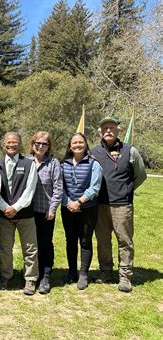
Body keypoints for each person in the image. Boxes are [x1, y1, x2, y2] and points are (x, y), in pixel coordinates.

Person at [91, 116, 147, 292]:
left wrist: (126, 189)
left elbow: (140, 175)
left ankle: (125, 276)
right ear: (100, 131)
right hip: (99, 205)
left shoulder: (130, 151)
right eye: (105, 128)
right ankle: (106, 272)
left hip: (122, 205)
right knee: (103, 240)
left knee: (124, 241)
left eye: (112, 127)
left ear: (117, 130)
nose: (108, 130)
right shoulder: (93, 152)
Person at [0, 132, 38, 296]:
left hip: (25, 214)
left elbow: (30, 189)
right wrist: (5, 207)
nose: (11, 145)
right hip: (4, 214)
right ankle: (6, 275)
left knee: (30, 248)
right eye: (8, 142)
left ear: (20, 145)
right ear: (3, 144)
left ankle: (30, 278)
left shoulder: (29, 164)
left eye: (14, 142)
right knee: (5, 248)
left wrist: (16, 207)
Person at [61, 133, 102, 290]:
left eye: (80, 142)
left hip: (88, 209)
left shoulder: (94, 164)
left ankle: (83, 273)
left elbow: (95, 187)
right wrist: (69, 203)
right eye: (74, 143)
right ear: (70, 146)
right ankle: (72, 272)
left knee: (85, 241)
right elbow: (60, 186)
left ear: (85, 144)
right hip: (68, 209)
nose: (77, 145)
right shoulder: (63, 164)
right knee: (70, 240)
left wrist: (79, 202)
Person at [26, 131, 63, 294]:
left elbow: (58, 188)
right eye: (37, 143)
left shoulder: (53, 162)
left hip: (45, 211)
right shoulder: (26, 161)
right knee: (30, 244)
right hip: (27, 211)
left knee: (45, 243)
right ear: (32, 144)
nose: (40, 146)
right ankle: (31, 274)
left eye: (44, 144)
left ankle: (45, 276)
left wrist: (53, 208)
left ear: (49, 147)